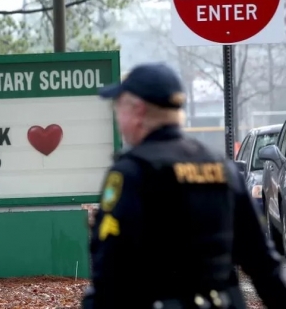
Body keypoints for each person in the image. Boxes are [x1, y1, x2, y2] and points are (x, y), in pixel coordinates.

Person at [81, 63, 286, 309]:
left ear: (137, 110)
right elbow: (263, 265)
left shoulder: (132, 173)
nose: (117, 117)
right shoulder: (222, 168)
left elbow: (110, 274)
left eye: (119, 107)